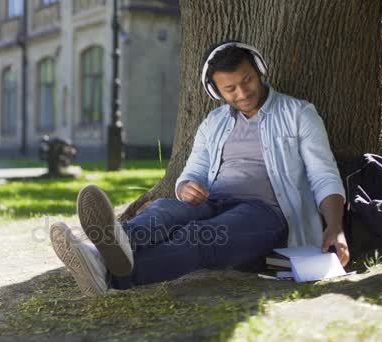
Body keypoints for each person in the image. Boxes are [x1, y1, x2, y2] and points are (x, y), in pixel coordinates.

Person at [50, 41, 349, 296]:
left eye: (247, 80)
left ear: (259, 71)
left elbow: (323, 175)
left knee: (202, 236)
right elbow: (192, 172)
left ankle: (108, 273)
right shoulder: (214, 122)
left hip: (268, 212)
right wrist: (186, 186)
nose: (242, 93)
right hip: (214, 201)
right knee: (166, 210)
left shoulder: (298, 113)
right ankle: (100, 251)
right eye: (230, 88)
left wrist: (335, 227)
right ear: (216, 91)